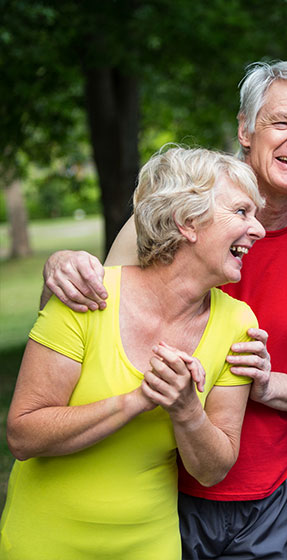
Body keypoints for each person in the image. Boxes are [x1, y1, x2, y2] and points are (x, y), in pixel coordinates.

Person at [39, 61, 287, 559]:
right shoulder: (174, 218)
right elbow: (92, 312)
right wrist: (59, 270)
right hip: (162, 488)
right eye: (282, 123)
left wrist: (271, 383)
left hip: (265, 498)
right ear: (244, 130)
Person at [0, 147, 265, 558]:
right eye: (242, 212)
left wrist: (186, 410)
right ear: (188, 222)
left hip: (148, 544)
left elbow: (213, 469)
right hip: (45, 540)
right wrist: (137, 400)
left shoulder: (237, 323)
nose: (258, 230)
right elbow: (23, 434)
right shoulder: (88, 295)